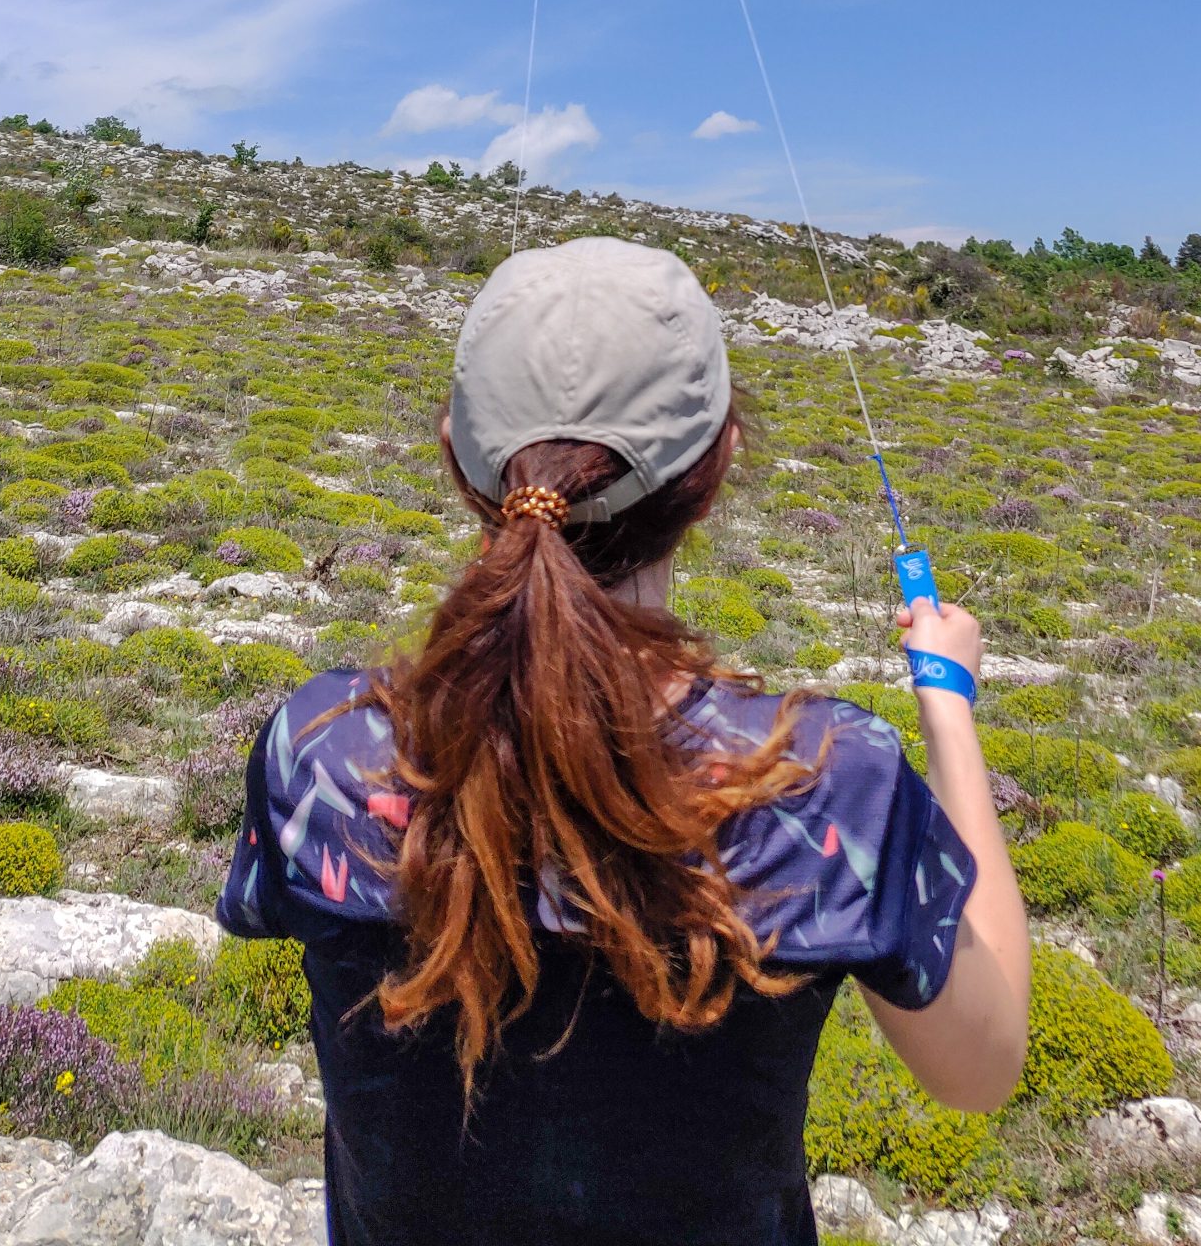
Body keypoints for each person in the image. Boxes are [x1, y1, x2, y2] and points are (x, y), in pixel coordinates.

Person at [220, 236, 1030, 1246]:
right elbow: (982, 1068)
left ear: (458, 455)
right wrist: (947, 701)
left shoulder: (320, 750)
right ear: (720, 459)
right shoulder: (823, 779)